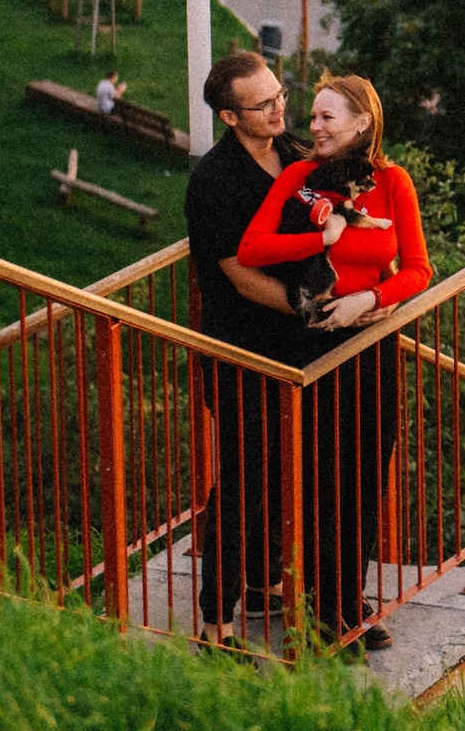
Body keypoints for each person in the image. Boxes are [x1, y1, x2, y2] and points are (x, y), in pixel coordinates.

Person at [235, 72, 428, 654]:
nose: (312, 128)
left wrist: (371, 299)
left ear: (362, 123)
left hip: (369, 347)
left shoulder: (393, 183)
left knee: (364, 478)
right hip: (312, 345)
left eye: (327, 118)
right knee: (321, 477)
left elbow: (418, 270)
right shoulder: (298, 179)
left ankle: (346, 604)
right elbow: (251, 249)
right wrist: (320, 242)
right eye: (312, 117)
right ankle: (321, 613)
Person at [183, 50, 325, 655]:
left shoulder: (294, 154)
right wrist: (306, 305)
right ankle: (217, 622)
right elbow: (239, 277)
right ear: (228, 116)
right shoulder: (213, 181)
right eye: (262, 105)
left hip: (297, 344)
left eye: (279, 97)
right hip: (241, 347)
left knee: (283, 468)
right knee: (243, 480)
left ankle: (268, 581)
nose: (278, 109)